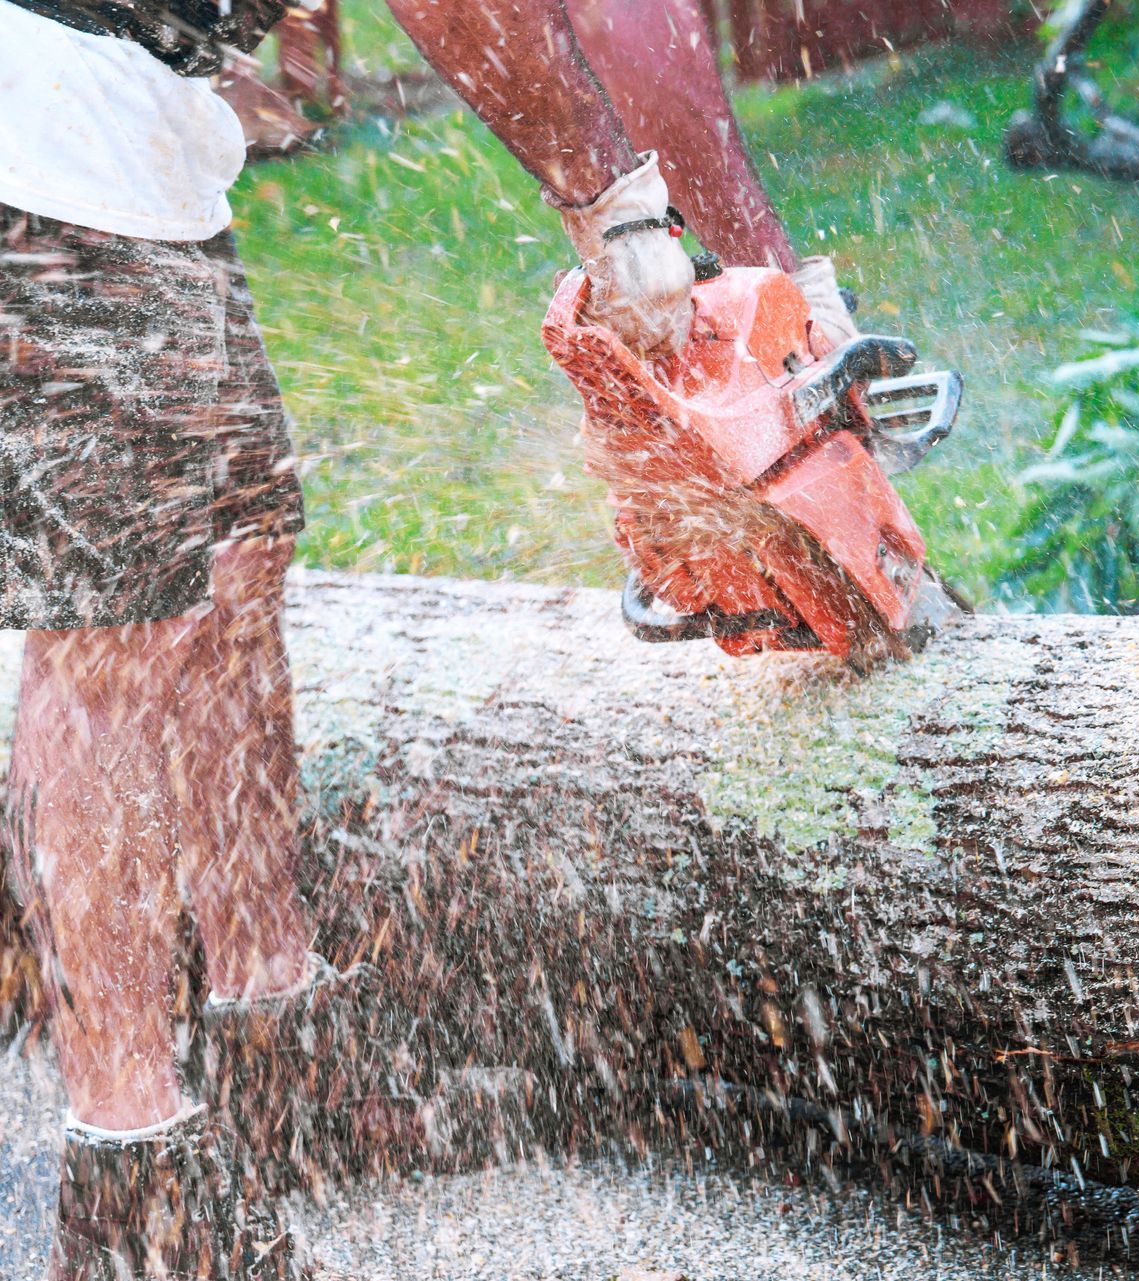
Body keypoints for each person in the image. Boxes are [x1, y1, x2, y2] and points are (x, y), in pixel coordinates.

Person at [0, 0, 860, 1275]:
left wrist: (778, 282)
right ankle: (137, 1204)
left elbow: (631, 24)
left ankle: (280, 1066)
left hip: (137, 136)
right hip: (44, 128)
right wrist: (612, 209)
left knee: (240, 565)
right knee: (114, 636)